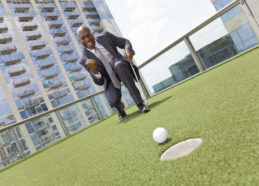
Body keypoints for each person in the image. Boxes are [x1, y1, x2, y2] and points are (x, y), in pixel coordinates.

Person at [77, 26, 150, 119]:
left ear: (92, 34)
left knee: (119, 66)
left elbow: (125, 42)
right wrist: (94, 71)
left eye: (89, 35)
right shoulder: (84, 60)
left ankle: (140, 104)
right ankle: (120, 108)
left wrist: (128, 50)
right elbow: (99, 82)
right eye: (83, 38)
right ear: (79, 41)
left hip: (121, 67)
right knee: (113, 100)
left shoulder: (105, 36)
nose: (87, 39)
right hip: (109, 78)